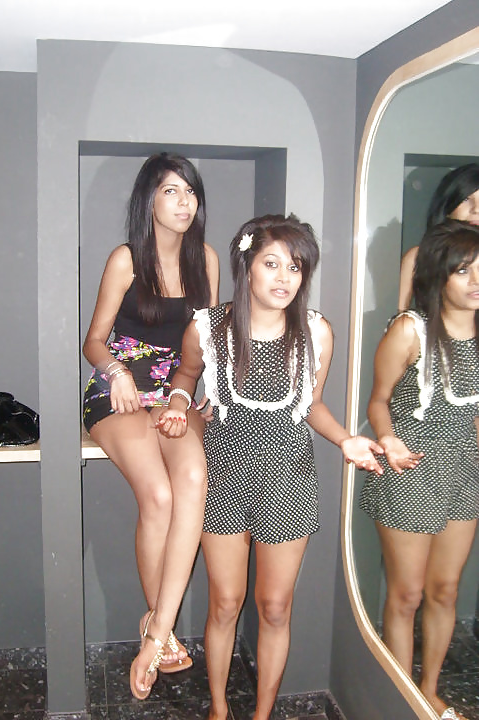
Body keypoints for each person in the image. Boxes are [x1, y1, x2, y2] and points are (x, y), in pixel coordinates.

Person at [155, 214, 384, 720]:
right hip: (224, 475)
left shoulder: (316, 332)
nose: (284, 277)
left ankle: (261, 715)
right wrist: (177, 403)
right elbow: (186, 375)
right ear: (248, 266)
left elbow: (312, 404)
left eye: (296, 267)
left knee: (276, 608)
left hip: (289, 478)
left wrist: (346, 439)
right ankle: (219, 710)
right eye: (272, 263)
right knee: (225, 603)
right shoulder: (207, 326)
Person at [82, 152, 219, 699]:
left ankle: (155, 630)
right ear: (149, 199)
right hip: (119, 391)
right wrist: (114, 372)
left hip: (175, 394)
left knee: (194, 482)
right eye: (171, 191)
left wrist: (203, 393)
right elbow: (93, 340)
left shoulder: (205, 259)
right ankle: (158, 624)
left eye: (191, 192)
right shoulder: (126, 259)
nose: (185, 202)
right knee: (159, 496)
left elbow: (207, 340)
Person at [360, 220, 479, 720]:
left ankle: (428, 690)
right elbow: (378, 400)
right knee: (406, 594)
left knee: (445, 589)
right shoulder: (410, 329)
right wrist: (387, 437)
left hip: (464, 472)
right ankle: (401, 696)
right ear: (439, 274)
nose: (476, 281)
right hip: (411, 468)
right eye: (464, 270)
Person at [399, 163, 479, 311]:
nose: (476, 209)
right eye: (466, 199)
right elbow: (400, 315)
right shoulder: (418, 257)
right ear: (448, 205)